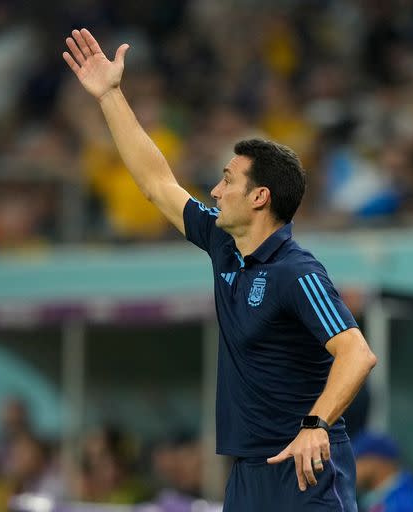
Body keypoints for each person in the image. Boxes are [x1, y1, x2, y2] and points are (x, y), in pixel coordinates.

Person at [62, 28, 377, 511]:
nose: (214, 189)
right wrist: (110, 95)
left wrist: (315, 426)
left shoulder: (298, 272)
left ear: (259, 197)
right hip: (247, 474)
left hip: (306, 469)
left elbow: (356, 354)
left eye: (227, 179)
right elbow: (157, 184)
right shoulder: (224, 245)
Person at [351, 432, 413, 512]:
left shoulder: (405, 502)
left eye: (355, 462)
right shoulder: (381, 497)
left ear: (375, 461)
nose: (348, 470)